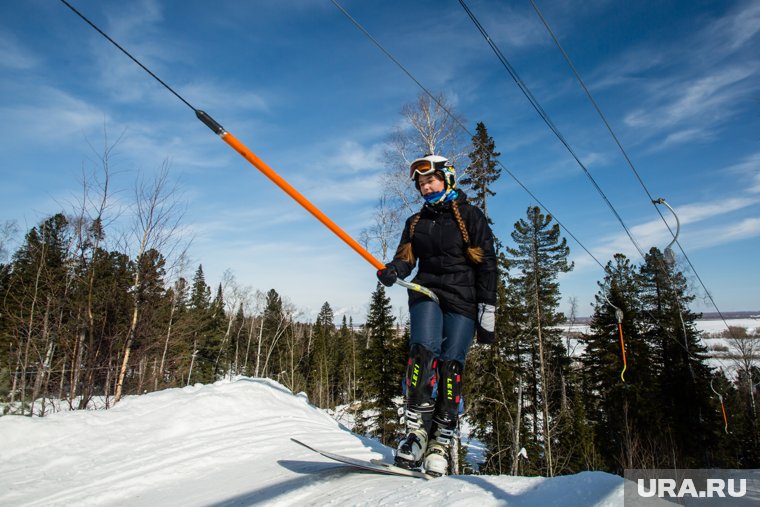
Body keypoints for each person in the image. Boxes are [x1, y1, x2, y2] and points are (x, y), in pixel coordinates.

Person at [376, 154, 497, 476]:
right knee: (423, 354)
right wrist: (393, 270)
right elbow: (406, 259)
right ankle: (415, 434)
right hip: (426, 291)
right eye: (421, 183)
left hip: (463, 298)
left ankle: (440, 442)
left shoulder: (471, 216)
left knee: (451, 366)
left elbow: (487, 265)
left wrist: (488, 311)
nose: (426, 186)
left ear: (447, 179)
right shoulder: (415, 222)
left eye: (431, 180)